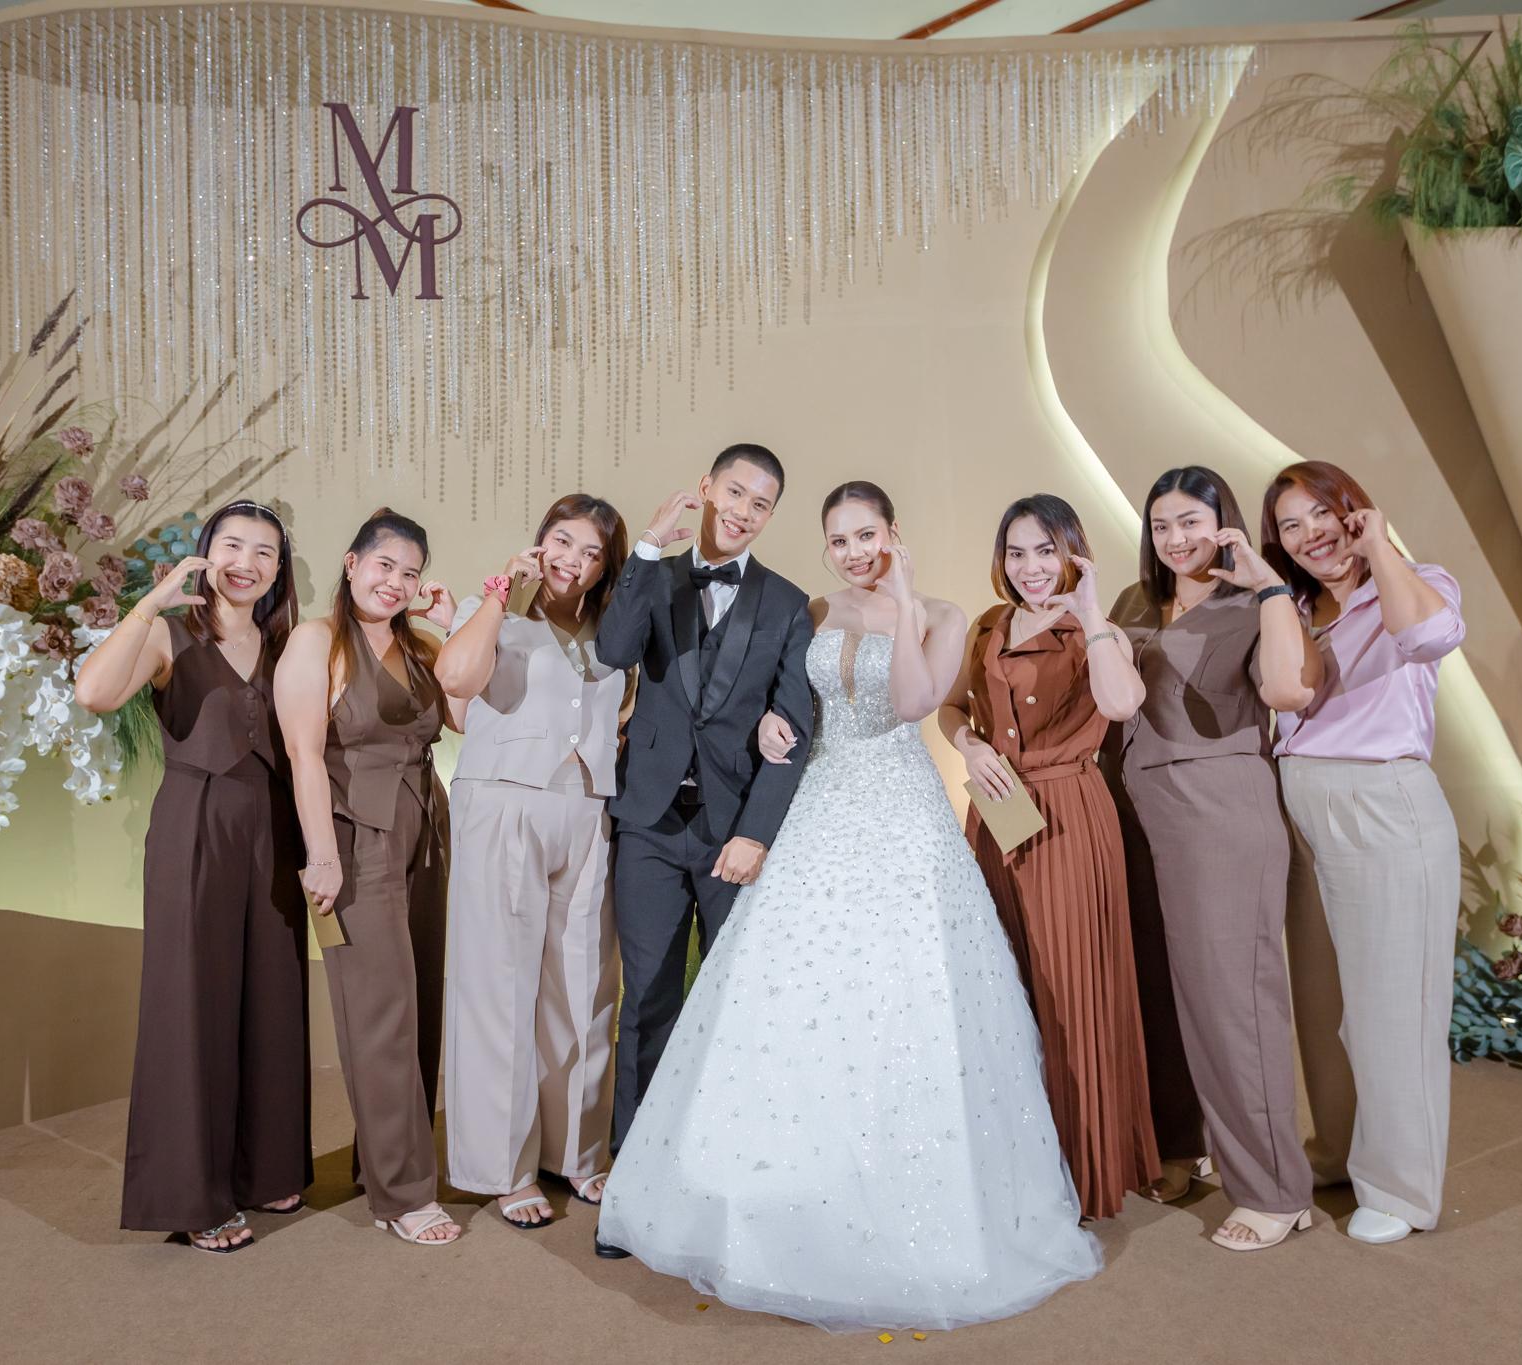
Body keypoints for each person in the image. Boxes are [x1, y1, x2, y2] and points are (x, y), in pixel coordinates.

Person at [598, 481, 1102, 1332]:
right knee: (794, 997)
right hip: (818, 805)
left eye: (867, 535)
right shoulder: (813, 607)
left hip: (900, 812)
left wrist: (902, 602)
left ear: (892, 533)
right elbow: (785, 698)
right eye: (839, 539)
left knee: (903, 995)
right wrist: (771, 724)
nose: (854, 552)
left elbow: (913, 703)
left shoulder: (942, 615)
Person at [591, 442, 816, 1237]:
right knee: (647, 1001)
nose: (744, 510)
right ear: (706, 489)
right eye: (735, 492)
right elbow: (612, 651)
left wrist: (756, 833)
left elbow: (797, 728)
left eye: (761, 502)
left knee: (732, 1009)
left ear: (771, 514)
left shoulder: (788, 603)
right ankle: (633, 1188)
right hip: (649, 826)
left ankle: (723, 1182)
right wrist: (648, 547)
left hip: (732, 835)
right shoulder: (656, 576)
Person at [75, 500, 311, 1254]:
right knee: (191, 1004)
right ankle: (193, 1196)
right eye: (232, 545)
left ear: (279, 569)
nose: (247, 562)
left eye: (265, 552)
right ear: (205, 553)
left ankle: (265, 1167)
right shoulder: (167, 632)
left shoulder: (288, 643)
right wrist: (149, 602)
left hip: (275, 826)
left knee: (273, 996)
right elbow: (94, 693)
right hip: (195, 826)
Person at [1109, 465, 1320, 1253]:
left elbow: (1286, 690)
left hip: (1217, 811)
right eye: (1161, 525)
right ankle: (1187, 1146)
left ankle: (1274, 1188)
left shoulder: (1256, 602)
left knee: (1234, 1002)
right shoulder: (1134, 602)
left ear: (1222, 521)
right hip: (1135, 807)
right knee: (1164, 996)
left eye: (1191, 521)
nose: (1176, 538)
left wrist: (1269, 587)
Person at [937, 494, 1163, 1221]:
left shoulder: (1096, 631)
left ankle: (1086, 1169)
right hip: (996, 814)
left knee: (1072, 992)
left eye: (1045, 550)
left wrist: (1091, 611)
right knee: (1004, 987)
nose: (1031, 567)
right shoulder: (988, 625)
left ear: (1073, 553)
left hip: (1068, 814)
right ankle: (1017, 1165)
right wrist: (970, 745)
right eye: (1017, 552)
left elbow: (1121, 704)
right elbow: (951, 708)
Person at [1262, 460, 1465, 1247]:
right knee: (1323, 1004)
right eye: (1290, 525)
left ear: (1353, 510)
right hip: (1303, 806)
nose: (1309, 534)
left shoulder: (1416, 583)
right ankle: (1340, 1147)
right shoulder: (1294, 607)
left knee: (1393, 1008)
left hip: (1383, 805)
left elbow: (1430, 636)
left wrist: (1380, 547)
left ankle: (1402, 1187)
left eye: (1321, 513)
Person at [435, 494, 632, 1230]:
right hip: (502, 802)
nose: (573, 561)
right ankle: (503, 1168)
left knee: (585, 988)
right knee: (499, 985)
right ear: (539, 541)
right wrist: (498, 595)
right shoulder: (488, 608)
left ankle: (577, 1151)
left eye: (591, 552)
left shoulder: (611, 631)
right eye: (563, 541)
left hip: (587, 809)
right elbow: (457, 682)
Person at [274, 508, 462, 1246]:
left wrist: (456, 626)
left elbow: (466, 717)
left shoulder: (420, 644)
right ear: (352, 563)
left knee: (421, 1007)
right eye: (385, 565)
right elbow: (303, 755)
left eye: (411, 573)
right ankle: (403, 1194)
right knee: (378, 1013)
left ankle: (378, 1163)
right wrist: (321, 854)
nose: (397, 582)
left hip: (428, 831)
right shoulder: (316, 641)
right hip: (356, 839)